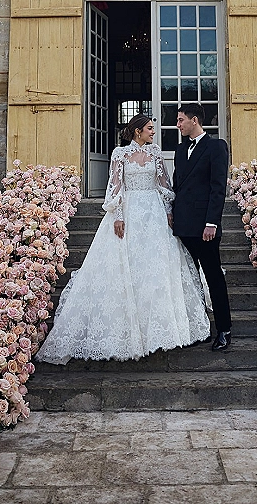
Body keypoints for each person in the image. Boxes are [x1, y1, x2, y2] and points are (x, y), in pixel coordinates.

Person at [37, 114, 210, 364]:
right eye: (150, 129)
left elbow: (164, 184)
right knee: (127, 266)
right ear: (138, 131)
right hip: (129, 211)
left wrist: (170, 211)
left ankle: (161, 331)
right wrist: (118, 215)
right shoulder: (119, 153)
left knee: (156, 269)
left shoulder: (156, 153)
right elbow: (115, 186)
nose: (153, 132)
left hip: (154, 214)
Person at [171, 103, 232, 352]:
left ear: (194, 120)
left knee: (213, 277)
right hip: (183, 225)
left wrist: (211, 223)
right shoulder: (179, 149)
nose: (178, 124)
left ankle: (224, 330)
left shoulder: (216, 147)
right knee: (190, 279)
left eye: (181, 120)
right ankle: (198, 328)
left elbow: (218, 188)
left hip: (204, 226)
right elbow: (178, 186)